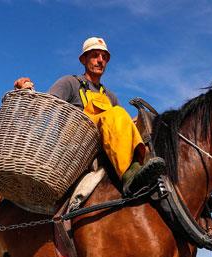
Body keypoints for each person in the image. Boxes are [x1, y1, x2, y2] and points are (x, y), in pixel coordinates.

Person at [13, 37, 166, 195]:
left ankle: (141, 166)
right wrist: (26, 92)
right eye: (95, 55)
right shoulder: (70, 82)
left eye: (104, 57)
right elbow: (47, 106)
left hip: (105, 146)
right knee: (117, 113)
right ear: (84, 59)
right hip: (76, 145)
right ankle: (130, 176)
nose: (100, 60)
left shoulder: (109, 96)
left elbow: (121, 126)